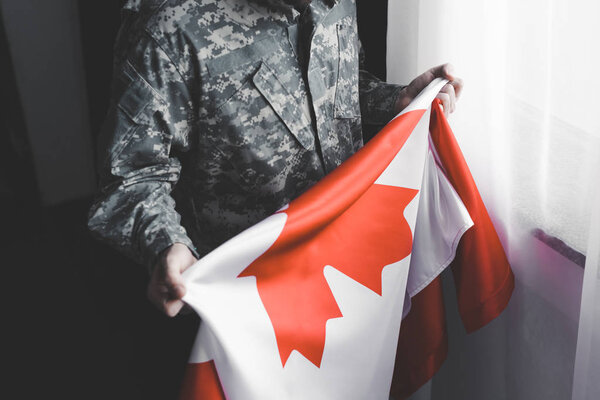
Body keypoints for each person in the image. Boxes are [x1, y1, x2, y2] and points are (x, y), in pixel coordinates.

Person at [89, 0, 462, 319]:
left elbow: (337, 85)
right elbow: (132, 176)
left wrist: (392, 100)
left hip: (347, 262)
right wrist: (165, 244)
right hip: (249, 296)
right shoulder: (169, 30)